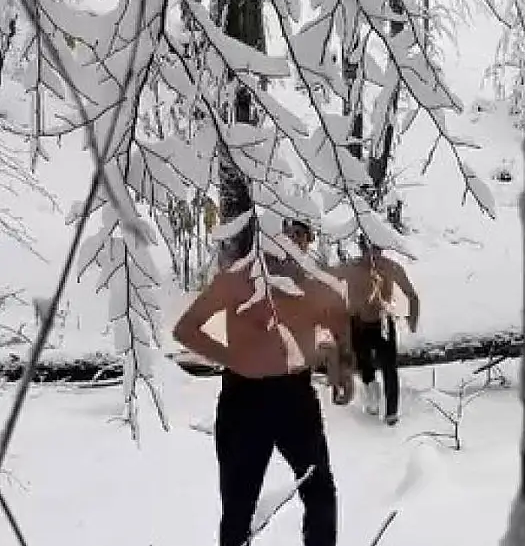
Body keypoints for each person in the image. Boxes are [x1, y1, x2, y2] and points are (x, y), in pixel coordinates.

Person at [173, 216, 355, 546]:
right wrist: (232, 357)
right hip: (244, 400)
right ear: (270, 235)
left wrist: (342, 370)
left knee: (319, 490)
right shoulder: (238, 280)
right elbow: (186, 329)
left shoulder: (311, 285)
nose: (293, 242)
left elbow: (339, 327)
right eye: (287, 233)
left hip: (295, 397)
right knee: (239, 504)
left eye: (302, 235)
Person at [330, 237, 420, 426]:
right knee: (363, 362)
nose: (372, 256)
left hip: (383, 322)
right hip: (358, 322)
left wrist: (413, 320)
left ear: (382, 250)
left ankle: (391, 412)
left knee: (389, 367)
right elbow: (324, 279)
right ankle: (371, 390)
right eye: (368, 250)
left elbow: (412, 294)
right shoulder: (350, 268)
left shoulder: (390, 268)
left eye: (376, 250)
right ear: (361, 249)